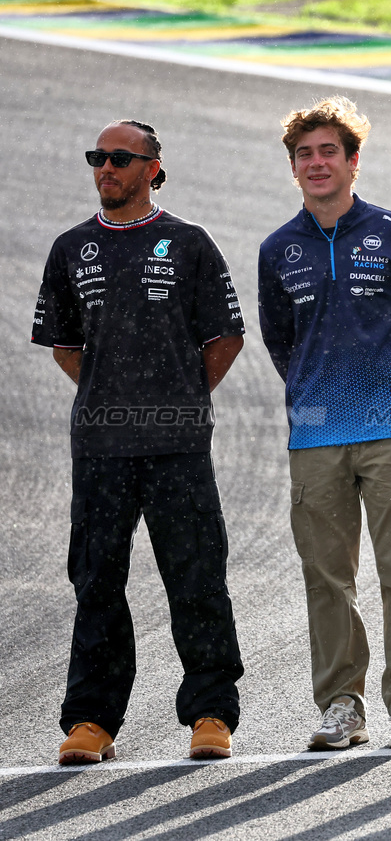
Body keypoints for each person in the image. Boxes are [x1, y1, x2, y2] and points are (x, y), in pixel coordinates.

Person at [33, 121, 246, 764]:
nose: (106, 168)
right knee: (97, 581)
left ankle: (211, 712)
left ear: (153, 167)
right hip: (100, 445)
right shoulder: (71, 249)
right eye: (98, 158)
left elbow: (225, 337)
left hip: (178, 443)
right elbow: (66, 347)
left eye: (120, 158)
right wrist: (113, 397)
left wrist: (177, 397)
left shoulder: (189, 243)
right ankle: (92, 722)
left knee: (197, 575)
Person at [258, 97, 391, 749]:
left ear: (352, 159)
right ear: (294, 166)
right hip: (313, 437)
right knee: (327, 580)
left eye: (327, 151)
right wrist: (318, 398)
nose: (315, 163)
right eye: (304, 154)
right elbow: (281, 342)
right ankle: (341, 706)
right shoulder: (278, 249)